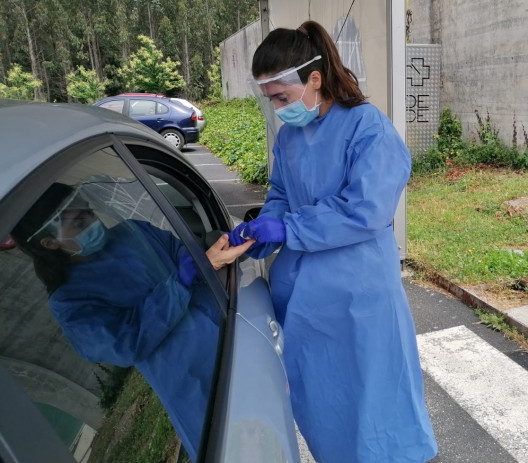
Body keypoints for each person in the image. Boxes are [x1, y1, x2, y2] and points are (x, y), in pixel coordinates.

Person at [227, 20, 438, 463]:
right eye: (270, 100)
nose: (278, 109)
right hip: (304, 301)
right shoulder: (288, 138)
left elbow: (367, 209)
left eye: (282, 97)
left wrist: (290, 229)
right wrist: (261, 230)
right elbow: (281, 195)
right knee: (325, 406)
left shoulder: (367, 128)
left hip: (359, 297)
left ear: (314, 80)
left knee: (377, 404)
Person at [11, 182, 252, 462]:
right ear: (49, 242)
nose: (93, 220)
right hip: (196, 384)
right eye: (78, 221)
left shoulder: (133, 232)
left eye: (88, 210)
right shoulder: (69, 301)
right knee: (236, 450)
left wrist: (224, 247)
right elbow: (126, 344)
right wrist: (180, 282)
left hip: (232, 339)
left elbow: (190, 259)